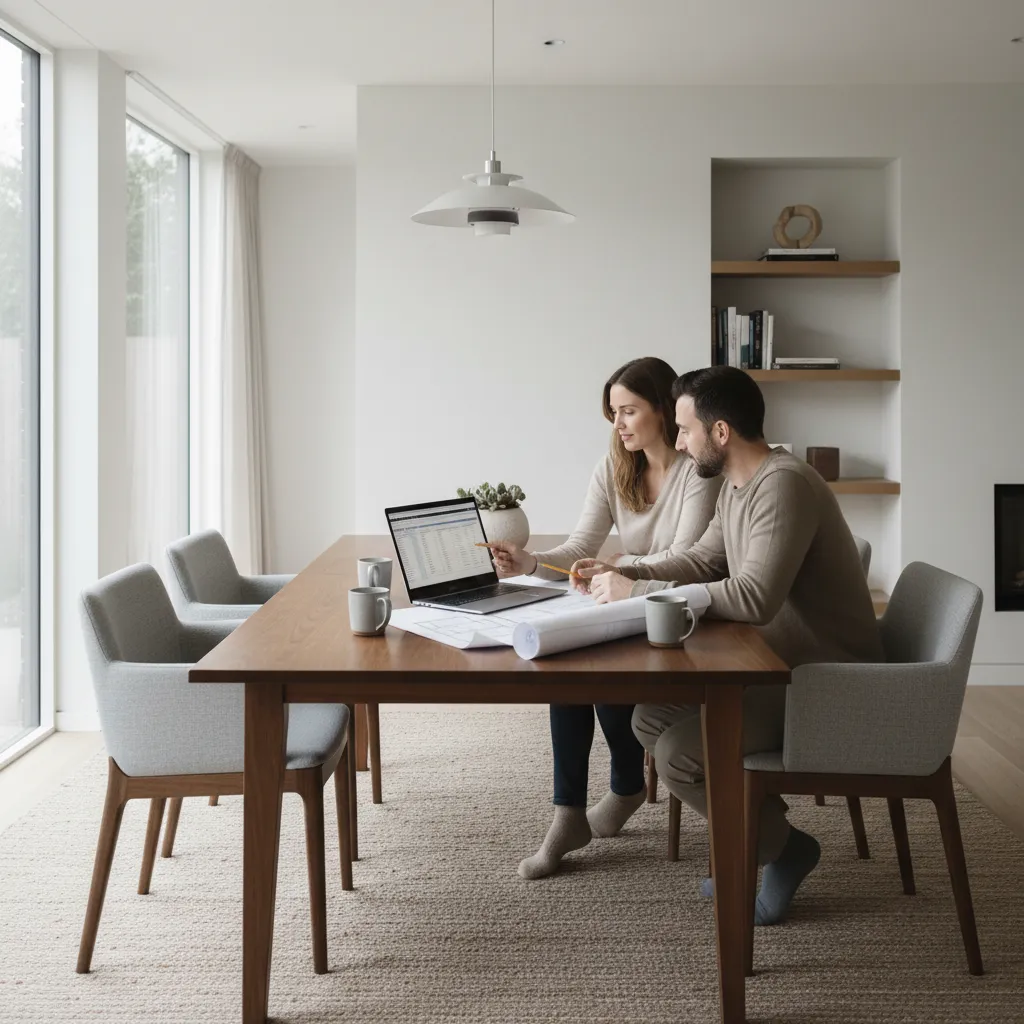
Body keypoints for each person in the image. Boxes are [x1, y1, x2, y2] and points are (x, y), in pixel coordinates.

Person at [573, 365, 883, 922]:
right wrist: (632, 575)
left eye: (687, 429)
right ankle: (768, 834)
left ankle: (784, 850)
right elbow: (702, 559)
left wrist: (646, 594)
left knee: (679, 753)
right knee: (649, 718)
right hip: (772, 664)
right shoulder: (738, 485)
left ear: (720, 433)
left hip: (824, 682)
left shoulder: (783, 483)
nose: (680, 441)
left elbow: (755, 595)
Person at [486, 356, 722, 880]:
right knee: (563, 660)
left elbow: (689, 557)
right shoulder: (614, 466)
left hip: (678, 608)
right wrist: (530, 563)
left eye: (628, 411)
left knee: (599, 663)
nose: (617, 424)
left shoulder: (697, 471)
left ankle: (624, 788)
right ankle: (568, 812)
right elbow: (579, 547)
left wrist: (624, 570)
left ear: (664, 410)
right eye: (612, 413)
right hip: (629, 600)